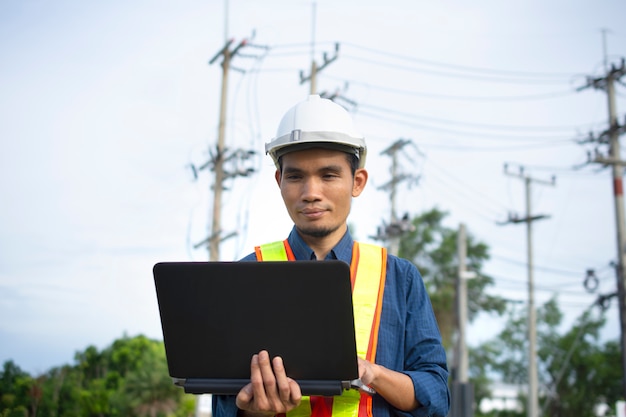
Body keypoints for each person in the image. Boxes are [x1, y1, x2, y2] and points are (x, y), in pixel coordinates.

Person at [212, 95, 450, 417]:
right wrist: (256, 410)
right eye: (295, 176)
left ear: (357, 181)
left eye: (328, 175)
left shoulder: (399, 279)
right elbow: (223, 405)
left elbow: (435, 396)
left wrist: (371, 373)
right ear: (279, 181)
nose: (311, 192)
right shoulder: (243, 277)